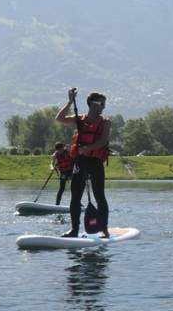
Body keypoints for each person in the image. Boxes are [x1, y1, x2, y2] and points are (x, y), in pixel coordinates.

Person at [55, 88, 111, 238]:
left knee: (100, 196)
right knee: (75, 196)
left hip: (96, 162)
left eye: (104, 104)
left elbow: (102, 141)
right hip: (80, 161)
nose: (103, 107)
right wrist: (69, 101)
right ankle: (74, 230)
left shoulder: (105, 122)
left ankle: (104, 229)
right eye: (102, 104)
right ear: (92, 104)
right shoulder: (79, 119)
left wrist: (87, 148)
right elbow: (59, 118)